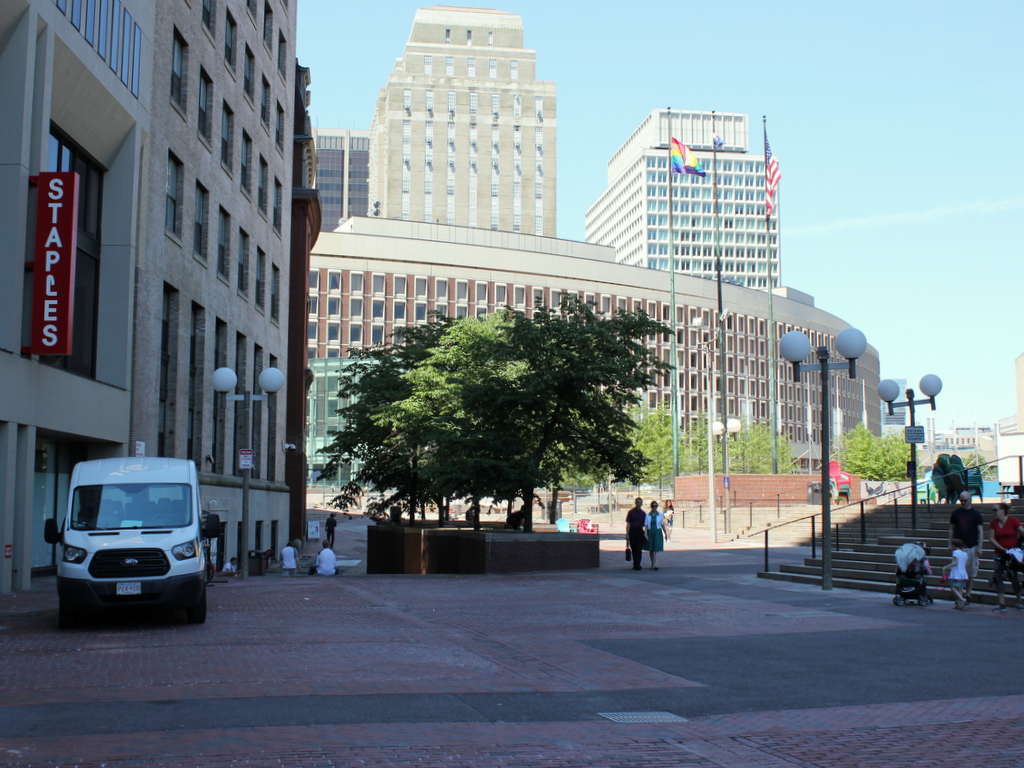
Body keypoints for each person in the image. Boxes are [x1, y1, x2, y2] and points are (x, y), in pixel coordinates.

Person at [988, 500, 1024, 612]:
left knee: (1013, 577)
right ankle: (1001, 603)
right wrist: (1002, 548)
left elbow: (1022, 532)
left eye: (995, 510)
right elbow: (991, 538)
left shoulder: (1013, 521)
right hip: (1000, 554)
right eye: (993, 510)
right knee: (998, 577)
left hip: (1012, 554)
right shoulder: (994, 523)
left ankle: (1019, 601)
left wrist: (1019, 548)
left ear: (1003, 511)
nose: (994, 512)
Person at [948, 491, 983, 602]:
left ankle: (967, 593)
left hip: (972, 545)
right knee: (960, 572)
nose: (963, 503)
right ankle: (961, 595)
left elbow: (980, 531)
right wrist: (949, 543)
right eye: (961, 500)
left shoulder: (976, 514)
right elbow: (951, 528)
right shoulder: (956, 513)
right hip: (959, 547)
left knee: (971, 572)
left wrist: (980, 547)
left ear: (970, 500)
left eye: (965, 500)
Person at [942, 539, 969, 610]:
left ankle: (961, 599)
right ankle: (960, 603)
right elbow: (967, 564)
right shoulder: (965, 553)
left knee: (953, 587)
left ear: (954, 546)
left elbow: (955, 562)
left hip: (957, 572)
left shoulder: (955, 552)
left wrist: (947, 566)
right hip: (963, 572)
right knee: (961, 588)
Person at [625, 497, 647, 570]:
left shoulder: (643, 513)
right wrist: (627, 534)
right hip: (632, 531)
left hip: (640, 531)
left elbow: (645, 525)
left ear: (642, 503)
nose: (639, 504)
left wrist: (645, 533)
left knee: (639, 548)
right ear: (635, 503)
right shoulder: (631, 512)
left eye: (640, 502)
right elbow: (628, 523)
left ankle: (638, 564)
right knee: (633, 548)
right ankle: (635, 563)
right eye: (637, 502)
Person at [645, 500, 667, 570]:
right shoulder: (648, 515)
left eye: (656, 506)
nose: (654, 507)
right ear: (651, 507)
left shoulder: (660, 515)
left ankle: (655, 563)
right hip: (650, 531)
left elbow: (662, 524)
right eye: (653, 506)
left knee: (656, 548)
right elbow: (645, 525)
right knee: (651, 548)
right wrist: (645, 534)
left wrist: (665, 533)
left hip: (657, 531)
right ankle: (652, 563)